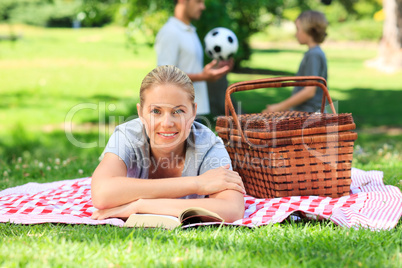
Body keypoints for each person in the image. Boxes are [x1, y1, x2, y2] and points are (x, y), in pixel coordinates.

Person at [91, 65, 245, 223]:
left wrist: (140, 206)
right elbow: (102, 193)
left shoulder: (208, 145)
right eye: (156, 111)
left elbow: (232, 210)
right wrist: (197, 183)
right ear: (140, 112)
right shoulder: (128, 135)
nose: (166, 123)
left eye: (178, 111)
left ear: (193, 112)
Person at [154, 0, 233, 117]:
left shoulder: (189, 30)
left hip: (193, 111)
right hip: (179, 114)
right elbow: (165, 75)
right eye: (198, 1)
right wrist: (202, 77)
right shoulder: (170, 32)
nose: (203, 7)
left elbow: (191, 68)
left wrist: (216, 69)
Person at [263, 10, 328, 113]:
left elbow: (309, 91)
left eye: (298, 29)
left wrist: (279, 107)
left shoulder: (313, 54)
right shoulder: (314, 53)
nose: (295, 34)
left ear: (309, 30)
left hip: (310, 116)